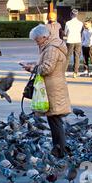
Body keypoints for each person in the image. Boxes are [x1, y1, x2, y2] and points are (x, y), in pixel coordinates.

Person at [22, 24, 71, 158]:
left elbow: (47, 68)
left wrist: (32, 68)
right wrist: (32, 65)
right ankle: (58, 148)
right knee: (54, 119)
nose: (36, 42)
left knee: (55, 120)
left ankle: (60, 150)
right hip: (53, 85)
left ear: (44, 37)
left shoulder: (51, 49)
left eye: (37, 40)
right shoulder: (50, 47)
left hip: (52, 87)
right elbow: (46, 64)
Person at [64, 9, 83, 78]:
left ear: (71, 15)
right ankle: (75, 72)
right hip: (78, 40)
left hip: (70, 40)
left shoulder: (68, 23)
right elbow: (80, 31)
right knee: (77, 56)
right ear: (77, 15)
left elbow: (65, 33)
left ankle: (64, 71)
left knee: (67, 57)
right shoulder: (80, 23)